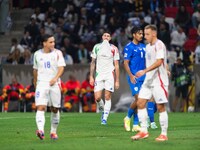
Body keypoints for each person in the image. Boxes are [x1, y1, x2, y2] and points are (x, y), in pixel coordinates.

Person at [131, 25, 169, 142]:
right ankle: (144, 131)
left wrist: (144, 71)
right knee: (140, 102)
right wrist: (166, 67)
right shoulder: (147, 47)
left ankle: (163, 134)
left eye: (147, 34)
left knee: (160, 106)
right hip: (149, 80)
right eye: (144, 34)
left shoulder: (159, 44)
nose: (145, 36)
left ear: (154, 34)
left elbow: (159, 61)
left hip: (159, 80)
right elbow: (160, 61)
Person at [123, 26, 157, 132]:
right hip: (134, 78)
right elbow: (125, 63)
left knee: (141, 101)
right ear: (133, 35)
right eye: (139, 33)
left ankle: (135, 124)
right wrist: (131, 76)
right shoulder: (129, 47)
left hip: (144, 77)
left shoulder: (144, 47)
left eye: (142, 34)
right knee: (138, 99)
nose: (141, 35)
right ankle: (128, 118)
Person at [33, 34, 66, 140]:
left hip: (54, 84)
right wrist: (35, 83)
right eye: (51, 42)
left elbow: (61, 68)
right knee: (41, 107)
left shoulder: (57, 53)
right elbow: (35, 69)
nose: (53, 44)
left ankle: (53, 131)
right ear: (44, 43)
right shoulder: (37, 54)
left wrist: (55, 78)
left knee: (55, 109)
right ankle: (41, 131)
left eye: (54, 42)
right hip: (41, 84)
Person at [89, 31, 120, 125]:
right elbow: (93, 62)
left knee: (107, 96)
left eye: (108, 36)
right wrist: (91, 76)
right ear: (102, 37)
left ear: (110, 38)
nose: (106, 37)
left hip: (109, 75)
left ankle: (105, 118)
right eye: (105, 35)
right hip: (99, 75)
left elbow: (117, 65)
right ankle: (103, 111)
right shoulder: (97, 47)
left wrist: (117, 80)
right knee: (97, 98)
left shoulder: (114, 48)